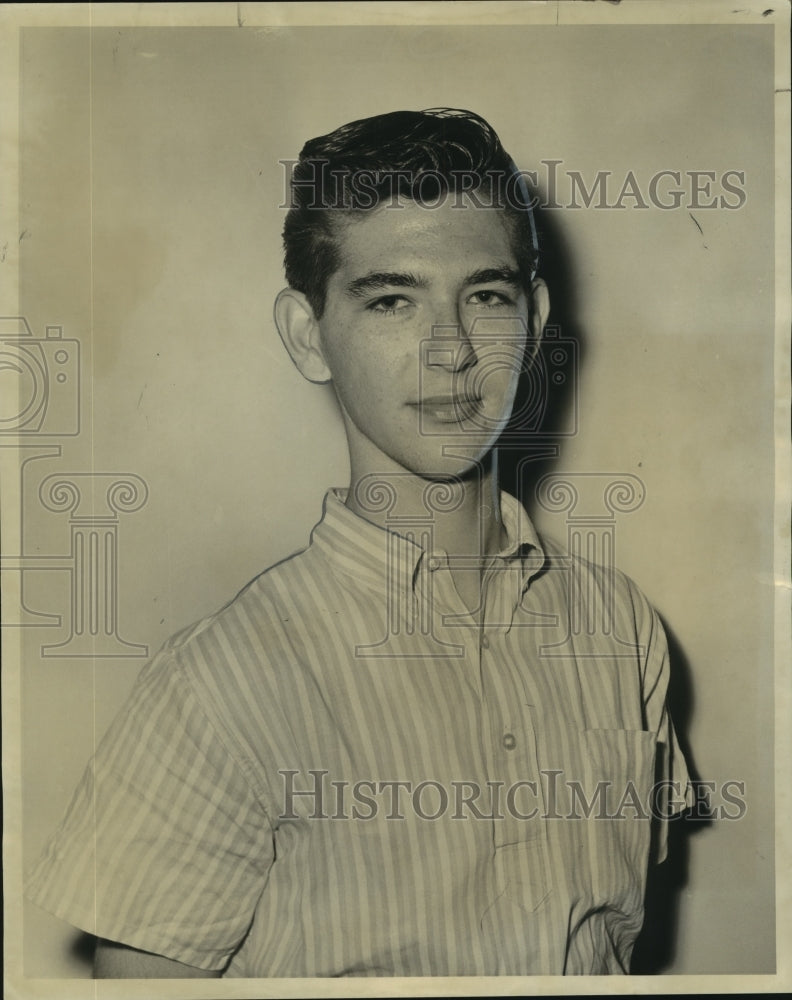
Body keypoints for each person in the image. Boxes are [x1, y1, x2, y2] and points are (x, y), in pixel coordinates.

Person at [25, 108, 693, 978]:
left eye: (485, 296)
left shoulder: (622, 628)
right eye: (391, 300)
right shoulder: (218, 683)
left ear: (532, 319)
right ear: (309, 336)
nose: (452, 351)